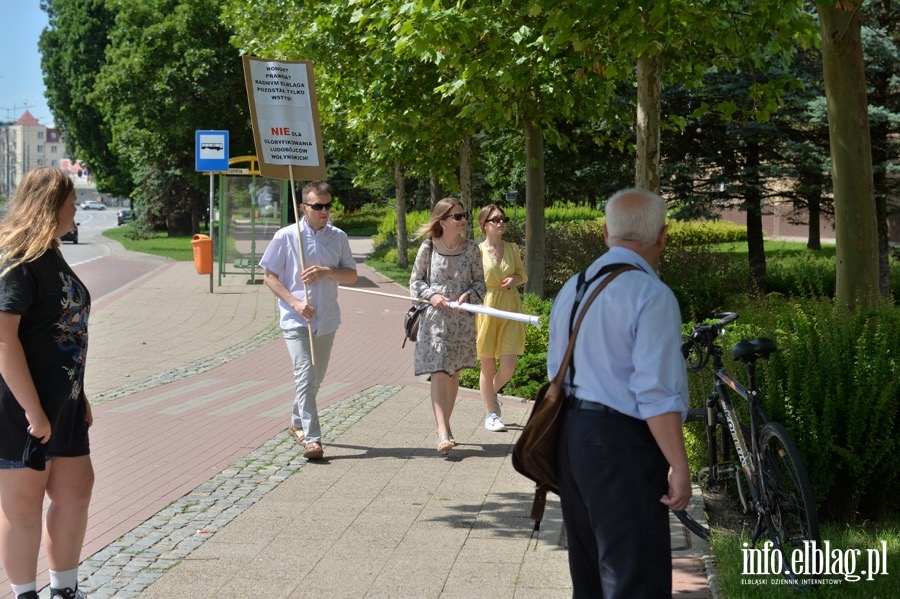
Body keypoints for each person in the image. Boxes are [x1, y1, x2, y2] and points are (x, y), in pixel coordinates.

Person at [547, 188, 691, 598]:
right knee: (634, 579)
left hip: (572, 437)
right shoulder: (651, 295)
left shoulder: (574, 287)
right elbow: (655, 394)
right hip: (622, 443)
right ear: (662, 236)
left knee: (590, 575)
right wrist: (678, 466)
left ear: (606, 232)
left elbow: (555, 368)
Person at [0, 167, 95, 599]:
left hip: (64, 403)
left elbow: (59, 330)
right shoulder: (18, 258)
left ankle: (65, 590)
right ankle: (24, 594)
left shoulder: (50, 252)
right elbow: (3, 339)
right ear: (53, 205)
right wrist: (33, 411)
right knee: (23, 507)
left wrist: (81, 393)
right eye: (72, 204)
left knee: (75, 491)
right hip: (22, 407)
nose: (76, 212)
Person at [259, 181, 357, 460]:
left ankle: (296, 421)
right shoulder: (287, 236)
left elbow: (351, 275)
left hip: (326, 319)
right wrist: (295, 303)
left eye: (328, 205)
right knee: (304, 374)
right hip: (296, 320)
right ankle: (313, 439)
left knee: (315, 379)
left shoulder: (338, 237)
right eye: (317, 206)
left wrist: (327, 272)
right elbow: (270, 276)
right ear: (303, 207)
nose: (324, 211)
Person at [410, 198, 486, 455]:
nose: (463, 220)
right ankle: (442, 431)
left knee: (454, 375)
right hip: (434, 320)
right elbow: (415, 281)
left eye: (464, 215)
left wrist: (469, 296)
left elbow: (480, 284)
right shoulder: (428, 247)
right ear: (442, 221)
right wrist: (432, 295)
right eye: (457, 216)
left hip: (462, 322)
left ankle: (446, 426)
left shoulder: (472, 249)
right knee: (440, 372)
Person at [476, 205, 527, 432]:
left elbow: (522, 274)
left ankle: (490, 396)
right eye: (495, 219)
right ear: (484, 224)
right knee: (487, 364)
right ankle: (491, 413)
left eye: (503, 219)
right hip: (486, 309)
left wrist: (514, 280)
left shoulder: (512, 248)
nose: (501, 222)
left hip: (509, 308)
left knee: (508, 366)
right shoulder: (476, 252)